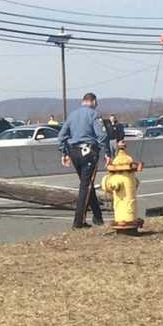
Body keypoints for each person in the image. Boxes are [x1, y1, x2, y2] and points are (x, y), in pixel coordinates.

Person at [58, 92, 111, 230]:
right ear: (93, 102)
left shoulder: (72, 115)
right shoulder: (94, 115)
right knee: (85, 186)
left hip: (74, 152)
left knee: (87, 184)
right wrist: (107, 153)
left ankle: (98, 217)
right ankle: (78, 222)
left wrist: (64, 152)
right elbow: (102, 136)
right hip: (88, 152)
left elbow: (61, 136)